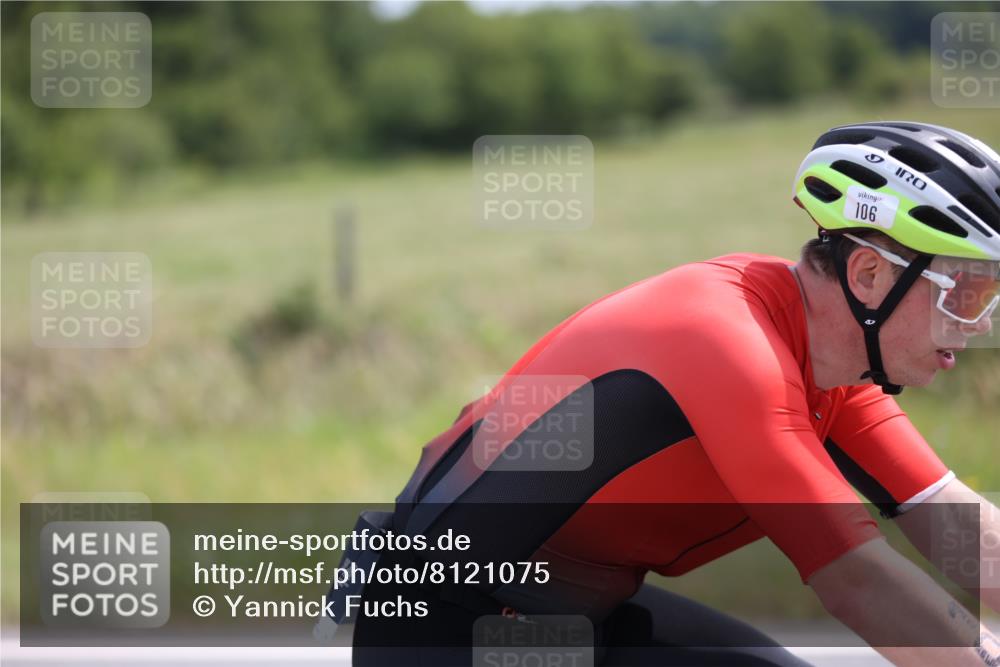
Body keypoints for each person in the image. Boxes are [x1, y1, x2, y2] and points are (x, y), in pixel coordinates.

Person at [343, 122, 1000, 666]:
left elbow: (957, 522)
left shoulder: (833, 369)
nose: (983, 322)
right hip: (444, 626)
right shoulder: (728, 340)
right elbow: (857, 579)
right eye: (970, 292)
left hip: (572, 618)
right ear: (869, 273)